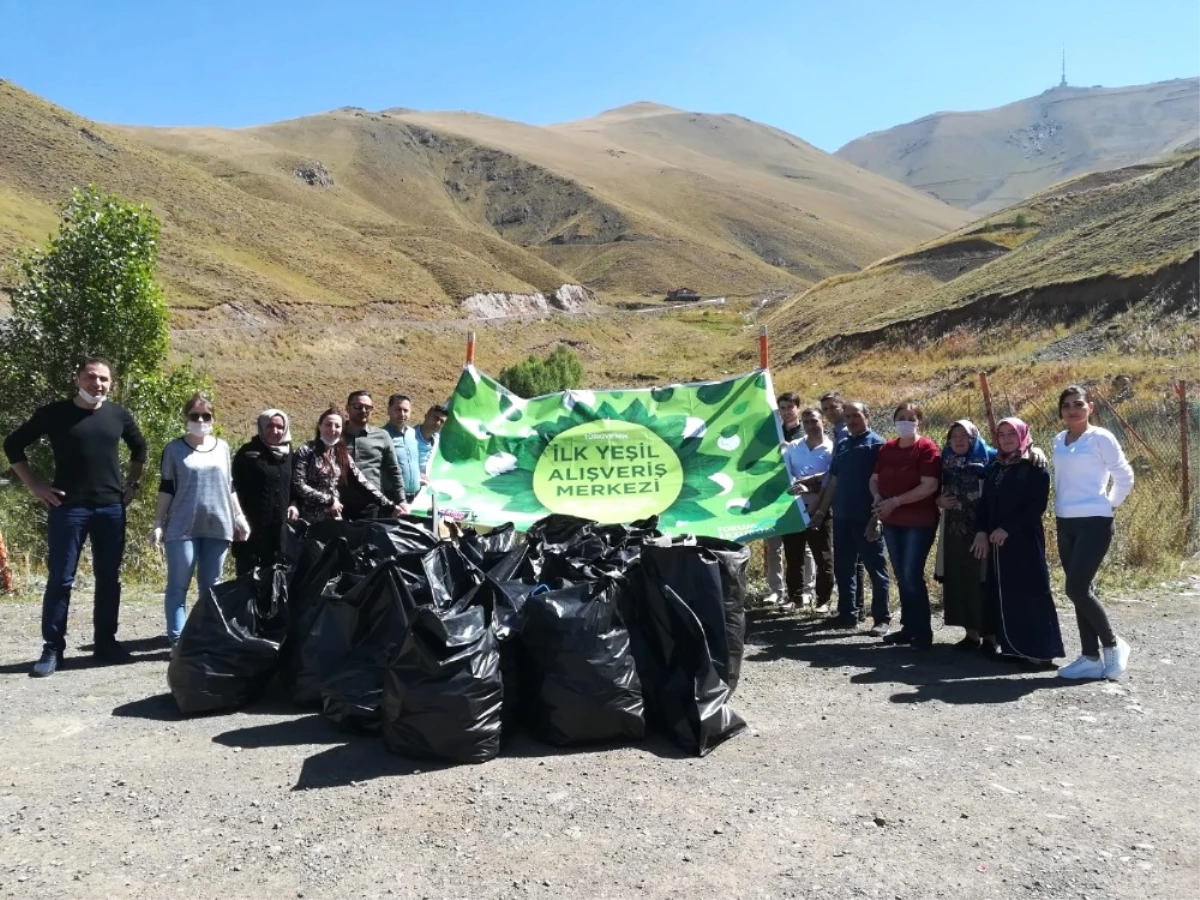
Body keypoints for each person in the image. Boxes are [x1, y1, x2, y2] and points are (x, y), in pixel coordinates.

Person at [4, 358, 148, 677]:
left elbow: (140, 448)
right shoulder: (54, 414)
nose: (97, 384)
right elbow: (13, 445)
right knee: (61, 579)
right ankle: (53, 648)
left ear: (112, 383)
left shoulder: (118, 415)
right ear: (77, 379)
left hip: (111, 509)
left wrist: (133, 484)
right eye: (91, 378)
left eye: (104, 380)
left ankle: (106, 644)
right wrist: (36, 486)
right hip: (68, 509)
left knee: (109, 578)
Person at [152, 394, 250, 646]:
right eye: (194, 415)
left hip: (218, 525)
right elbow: (166, 487)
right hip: (181, 527)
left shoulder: (224, 448)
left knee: (211, 588)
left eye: (206, 416)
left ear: (213, 418)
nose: (200, 420)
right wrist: (158, 523)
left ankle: (206, 637)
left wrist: (239, 517)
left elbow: (229, 486)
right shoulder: (174, 449)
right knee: (178, 585)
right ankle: (178, 641)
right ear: (186, 418)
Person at [1052, 386, 1135, 680]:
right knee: (1081, 591)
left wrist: (1110, 505)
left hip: (1095, 522)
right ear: (1061, 411)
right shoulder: (1059, 440)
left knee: (1075, 588)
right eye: (1066, 405)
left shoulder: (1101, 437)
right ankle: (1089, 657)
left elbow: (1124, 475)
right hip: (1066, 522)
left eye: (1078, 404)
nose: (1072, 410)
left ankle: (1113, 646)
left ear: (1091, 407)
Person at [971, 418, 1064, 665]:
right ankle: (1012, 647)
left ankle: (1040, 652)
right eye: (1001, 434)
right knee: (1004, 592)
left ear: (1022, 434)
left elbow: (1036, 507)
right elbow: (985, 504)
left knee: (1030, 590)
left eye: (1012, 433)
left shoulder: (1034, 466)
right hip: (997, 543)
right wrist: (982, 530)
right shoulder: (996, 467)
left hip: (1023, 540)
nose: (1006, 438)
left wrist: (1007, 529)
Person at [810, 401, 890, 632]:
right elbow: (833, 481)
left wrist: (877, 519)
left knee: (876, 569)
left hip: (867, 517)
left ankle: (881, 619)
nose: (852, 420)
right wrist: (822, 512)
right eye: (848, 416)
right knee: (844, 568)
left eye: (856, 415)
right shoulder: (843, 444)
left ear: (867, 415)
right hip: (842, 517)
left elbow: (883, 484)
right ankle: (848, 614)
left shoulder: (877, 445)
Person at [870, 402, 941, 649]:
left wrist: (895, 502)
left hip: (918, 523)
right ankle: (908, 628)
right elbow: (874, 479)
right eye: (900, 417)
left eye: (910, 418)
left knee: (911, 574)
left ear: (919, 421)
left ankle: (922, 633)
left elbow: (929, 485)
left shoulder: (926, 448)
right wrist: (879, 499)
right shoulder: (888, 448)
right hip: (892, 521)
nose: (905, 422)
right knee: (901, 575)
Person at [936, 420, 997, 650]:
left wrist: (1034, 449)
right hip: (954, 530)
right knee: (960, 580)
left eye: (965, 436)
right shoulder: (946, 461)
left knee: (983, 581)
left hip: (982, 530)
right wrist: (937, 500)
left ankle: (990, 637)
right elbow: (934, 488)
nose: (959, 440)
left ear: (974, 438)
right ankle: (971, 635)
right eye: (954, 436)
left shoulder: (990, 458)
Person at [290, 407, 407, 523]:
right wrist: (329, 501)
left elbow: (362, 482)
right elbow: (298, 484)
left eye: (337, 426)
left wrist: (390, 506)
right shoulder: (306, 451)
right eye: (328, 424)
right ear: (319, 426)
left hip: (334, 517)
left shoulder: (341, 453)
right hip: (308, 518)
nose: (332, 429)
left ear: (342, 430)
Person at [781, 407, 834, 609]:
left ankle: (823, 599)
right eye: (806, 422)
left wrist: (810, 485)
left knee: (823, 557)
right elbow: (785, 475)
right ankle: (795, 598)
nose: (811, 426)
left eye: (814, 421)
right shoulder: (793, 447)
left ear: (823, 422)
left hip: (820, 509)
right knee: (794, 556)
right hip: (794, 508)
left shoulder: (832, 448)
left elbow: (832, 479)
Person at [231, 409, 293, 576]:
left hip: (279, 533)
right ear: (261, 426)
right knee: (247, 584)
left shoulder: (289, 454)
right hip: (251, 531)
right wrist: (236, 520)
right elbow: (232, 488)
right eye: (270, 426)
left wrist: (295, 505)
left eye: (279, 427)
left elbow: (294, 486)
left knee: (275, 585)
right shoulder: (247, 453)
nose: (275, 431)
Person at [820, 390, 861, 612]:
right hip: (840, 500)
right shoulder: (837, 432)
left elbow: (837, 471)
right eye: (825, 409)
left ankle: (855, 608)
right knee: (850, 560)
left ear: (843, 406)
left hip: (850, 500)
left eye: (833, 407)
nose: (829, 412)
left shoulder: (846, 433)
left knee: (853, 561)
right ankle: (853, 608)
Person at [764, 392, 805, 605]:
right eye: (782, 408)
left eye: (790, 407)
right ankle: (775, 590)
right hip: (775, 497)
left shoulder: (807, 432)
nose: (787, 411)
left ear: (798, 408)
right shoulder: (773, 433)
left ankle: (805, 590)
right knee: (773, 546)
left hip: (800, 496)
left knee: (802, 548)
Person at [341, 390, 406, 519]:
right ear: (347, 408)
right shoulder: (336, 435)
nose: (363, 410)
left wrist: (402, 500)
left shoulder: (382, 436)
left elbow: (394, 470)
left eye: (368, 407)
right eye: (358, 406)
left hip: (372, 505)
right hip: (340, 504)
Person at [384, 393, 422, 499]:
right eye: (398, 409)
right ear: (388, 410)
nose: (402, 414)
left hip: (415, 496)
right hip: (393, 497)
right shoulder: (381, 435)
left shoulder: (413, 433)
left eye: (406, 410)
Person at [414, 404, 448, 478]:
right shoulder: (408, 436)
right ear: (426, 416)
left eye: (442, 421)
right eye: (436, 418)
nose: (438, 423)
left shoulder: (438, 443)